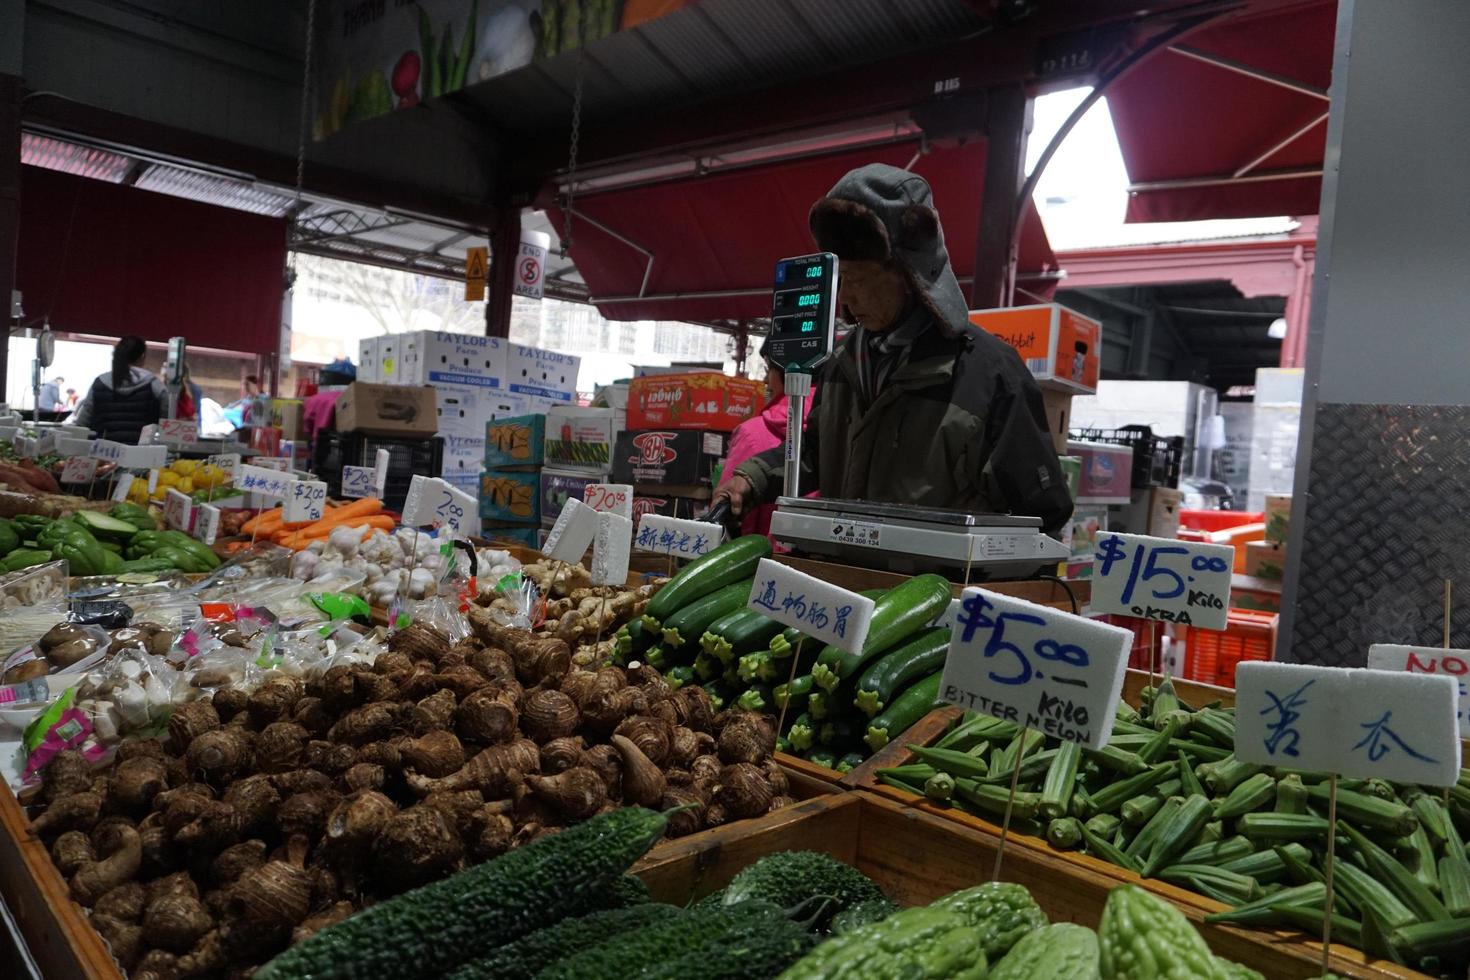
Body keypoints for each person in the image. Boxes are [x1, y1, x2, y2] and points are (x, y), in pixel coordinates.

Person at [713, 163, 1072, 533]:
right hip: (842, 581)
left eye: (860, 279)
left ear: (910, 275)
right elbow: (817, 455)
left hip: (933, 588)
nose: (846, 297)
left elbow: (1042, 512)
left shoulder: (988, 374)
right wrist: (751, 478)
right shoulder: (843, 362)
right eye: (842, 278)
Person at [719, 338, 813, 540]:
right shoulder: (841, 425)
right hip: (817, 557)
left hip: (759, 558)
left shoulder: (752, 432)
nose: (764, 380)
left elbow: (728, 511)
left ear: (786, 371)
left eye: (768, 369)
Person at [74, 335, 168, 444]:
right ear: (142, 357)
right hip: (141, 452)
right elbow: (166, 424)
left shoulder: (100, 382)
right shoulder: (155, 384)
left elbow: (83, 422)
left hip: (102, 452)